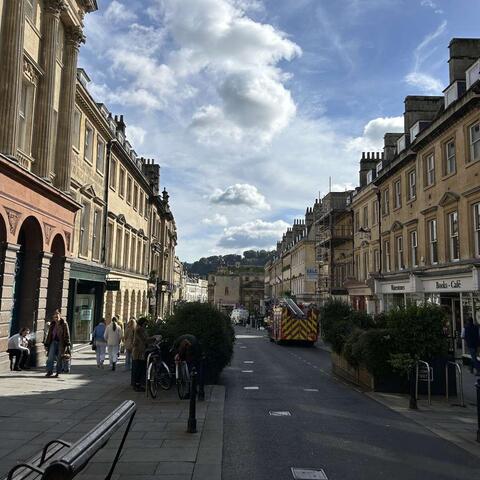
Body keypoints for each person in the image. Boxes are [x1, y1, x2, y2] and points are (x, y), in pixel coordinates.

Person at [44, 310, 71, 378]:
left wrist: (67, 343)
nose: (55, 318)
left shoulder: (64, 323)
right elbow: (49, 334)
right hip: (53, 342)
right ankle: (49, 371)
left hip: (61, 343)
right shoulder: (52, 324)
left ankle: (58, 372)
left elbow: (67, 333)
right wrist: (47, 343)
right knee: (50, 357)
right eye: (54, 317)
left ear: (60, 316)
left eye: (57, 317)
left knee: (59, 358)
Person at [131, 317, 149, 391]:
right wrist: (154, 338)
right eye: (145, 324)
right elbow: (144, 339)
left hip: (140, 351)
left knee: (139, 368)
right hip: (138, 351)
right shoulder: (139, 329)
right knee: (138, 369)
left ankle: (138, 384)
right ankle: (136, 385)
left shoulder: (140, 329)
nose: (146, 325)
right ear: (142, 323)